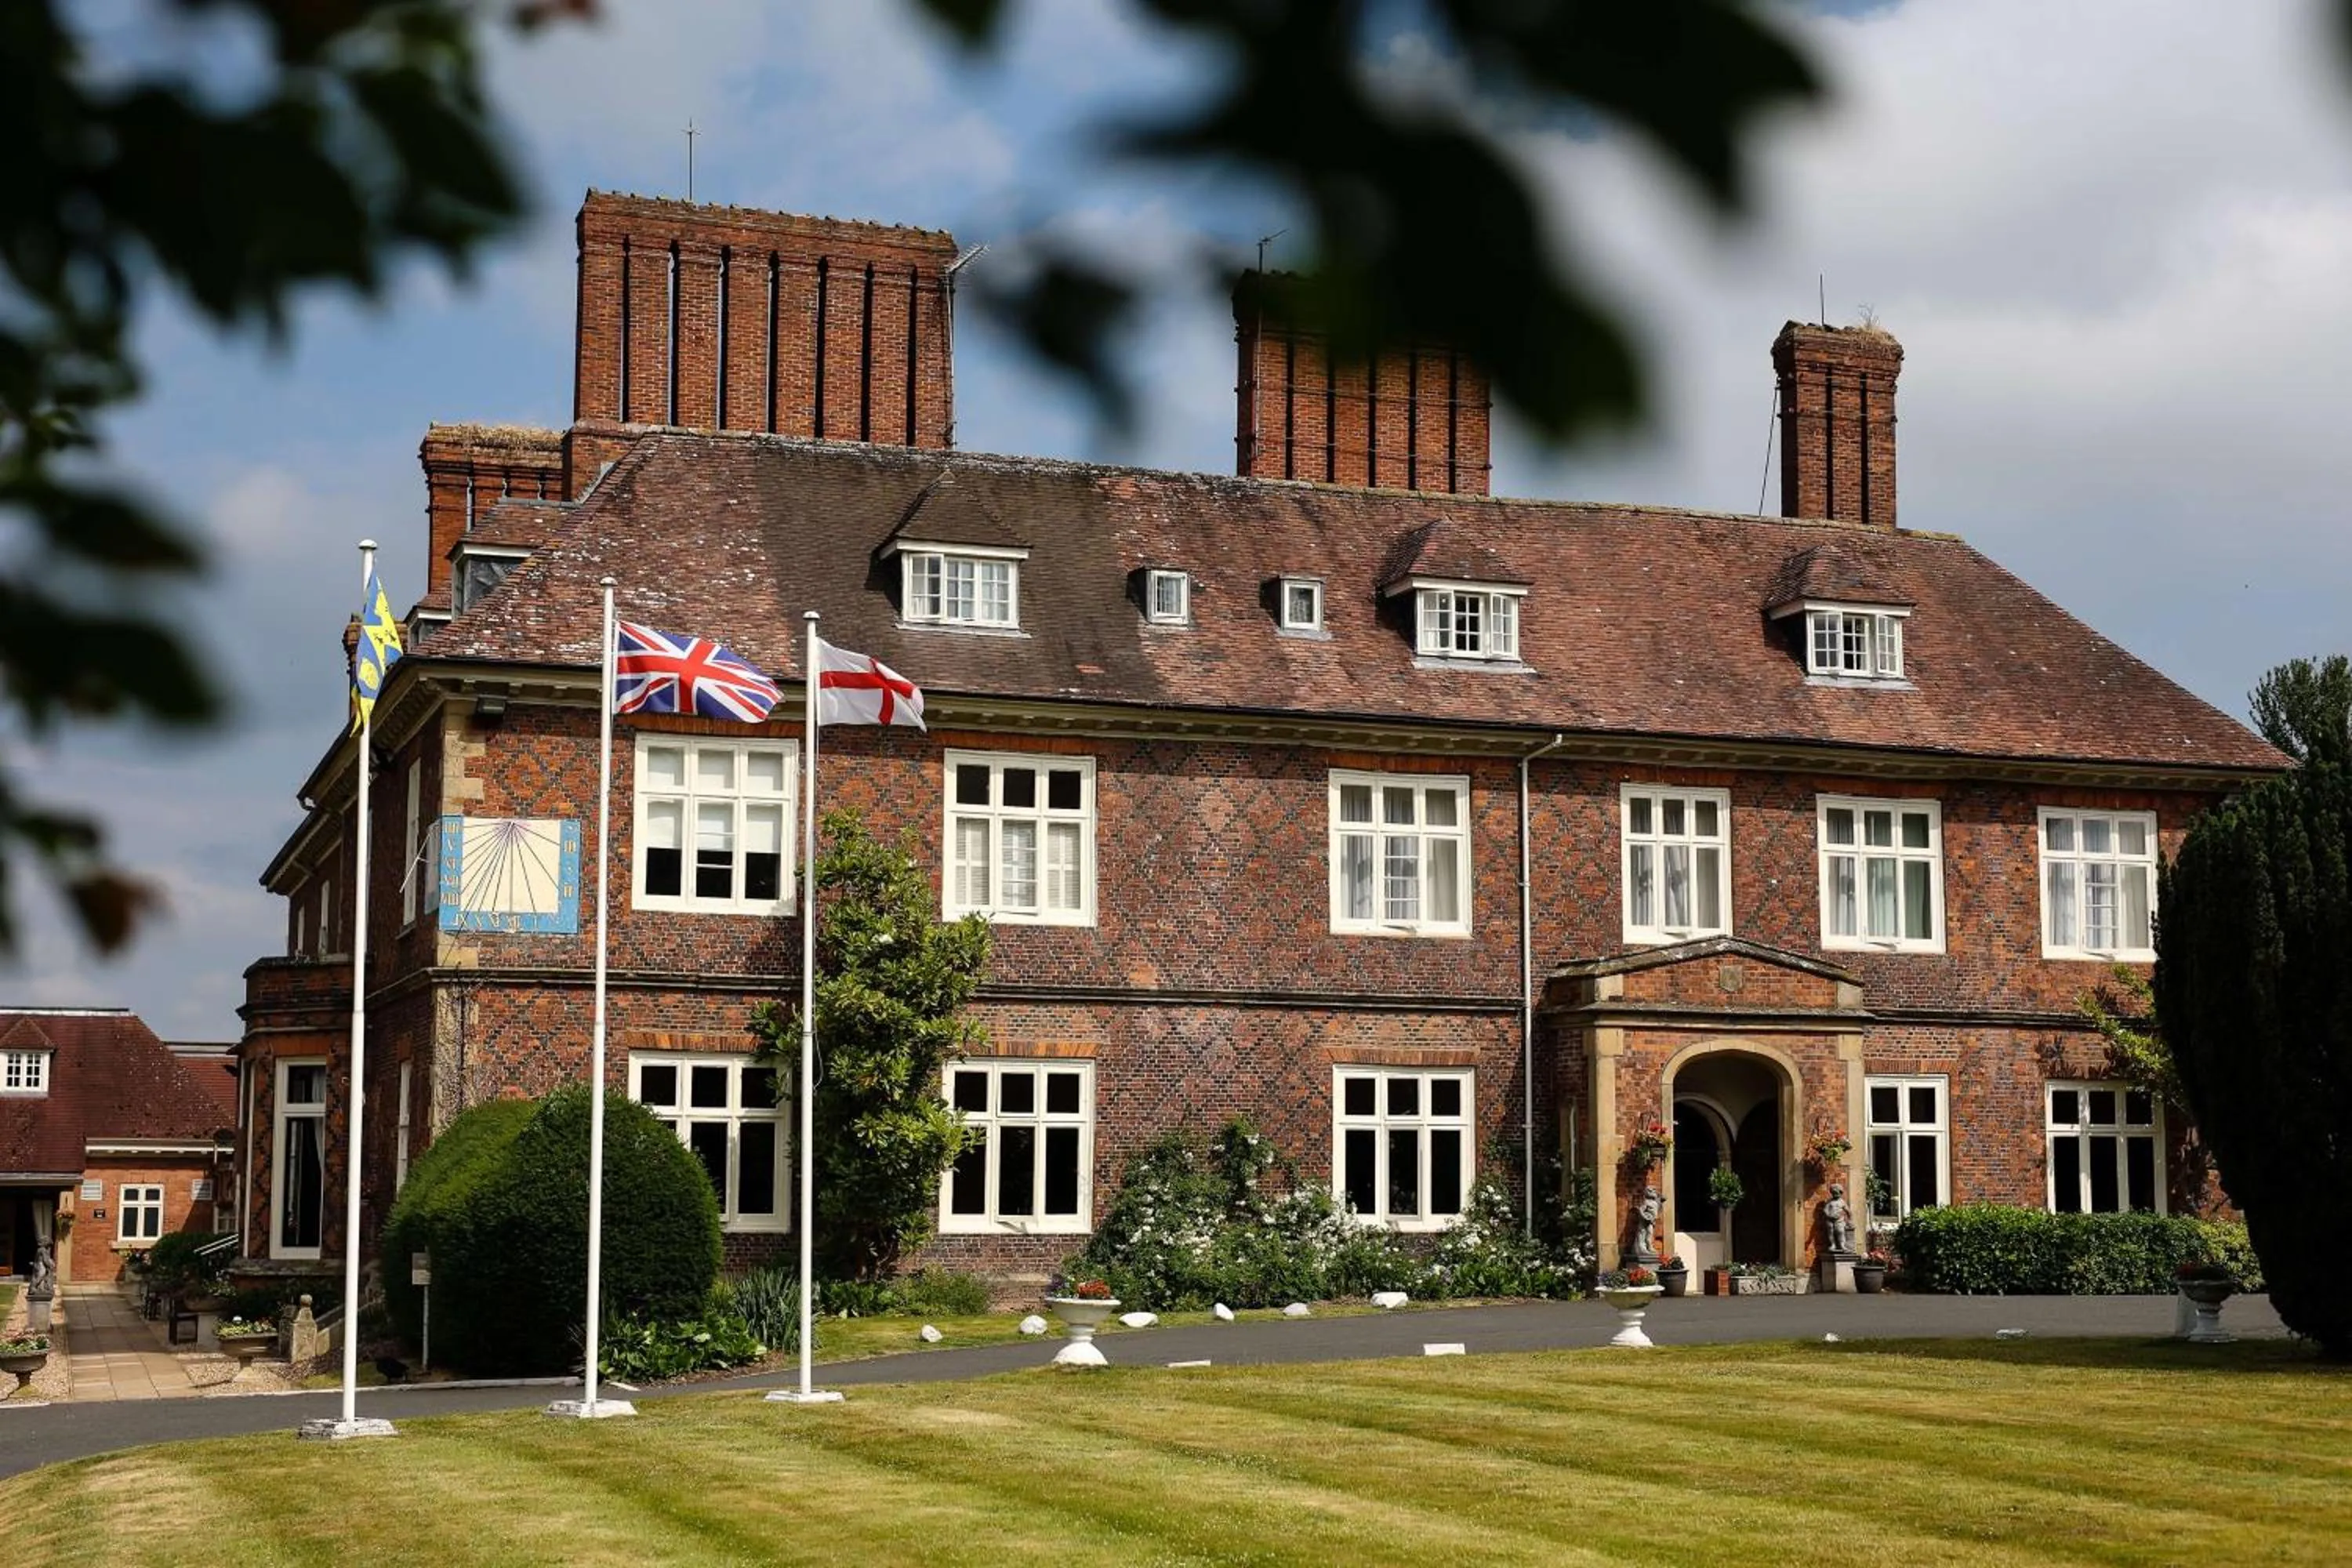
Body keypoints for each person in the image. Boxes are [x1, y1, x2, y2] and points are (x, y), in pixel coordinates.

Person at [1822, 1184, 1855, 1255]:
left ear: (1840, 1193)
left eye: (1837, 1193)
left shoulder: (1842, 1202)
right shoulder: (1830, 1202)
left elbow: (1848, 1211)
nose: (1835, 1195)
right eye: (1834, 1193)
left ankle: (1842, 1245)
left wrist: (1850, 1220)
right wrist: (1828, 1215)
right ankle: (1833, 1245)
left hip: (1839, 1220)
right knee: (1831, 1232)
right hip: (1830, 1220)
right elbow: (1825, 1210)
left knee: (1840, 1231)